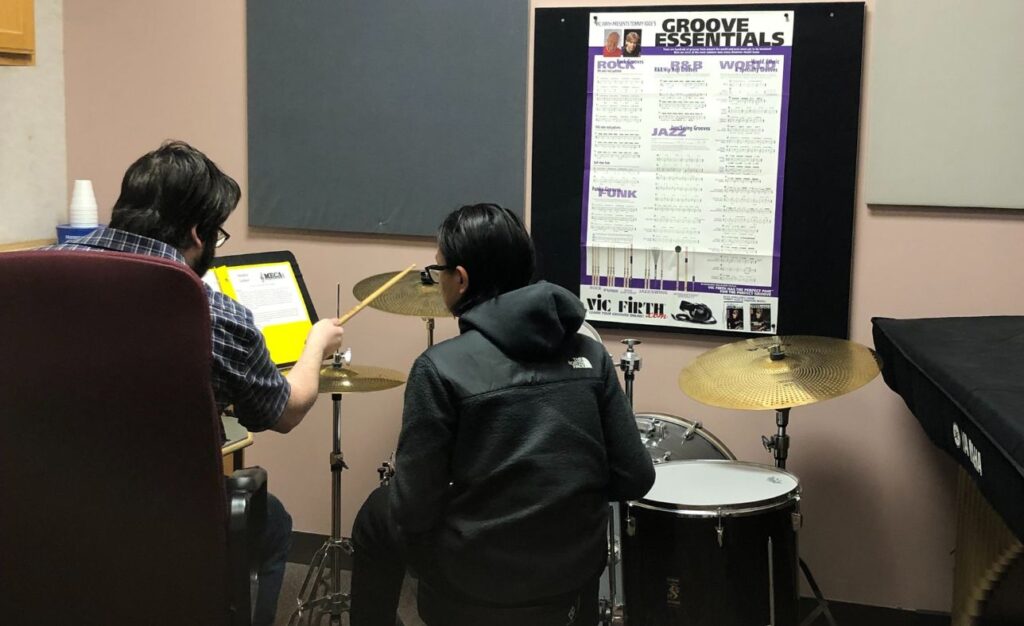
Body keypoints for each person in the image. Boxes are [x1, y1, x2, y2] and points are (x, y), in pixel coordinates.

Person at [48, 140, 344, 626]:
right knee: (273, 525)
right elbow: (285, 411)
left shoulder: (36, 277)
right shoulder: (215, 315)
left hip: (45, 506)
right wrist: (315, 345)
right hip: (161, 519)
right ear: (194, 233)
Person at [349, 203, 655, 625]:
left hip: (475, 580)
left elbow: (413, 512)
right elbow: (636, 477)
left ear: (461, 279)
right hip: (574, 574)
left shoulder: (439, 367)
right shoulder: (591, 355)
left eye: (440, 271)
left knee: (377, 513)